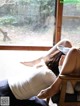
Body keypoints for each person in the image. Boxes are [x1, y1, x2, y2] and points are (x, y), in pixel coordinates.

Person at [0, 39, 72, 106]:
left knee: (42, 104)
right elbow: (68, 91)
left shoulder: (44, 64)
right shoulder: (50, 76)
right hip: (5, 95)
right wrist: (62, 68)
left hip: (5, 84)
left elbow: (65, 42)